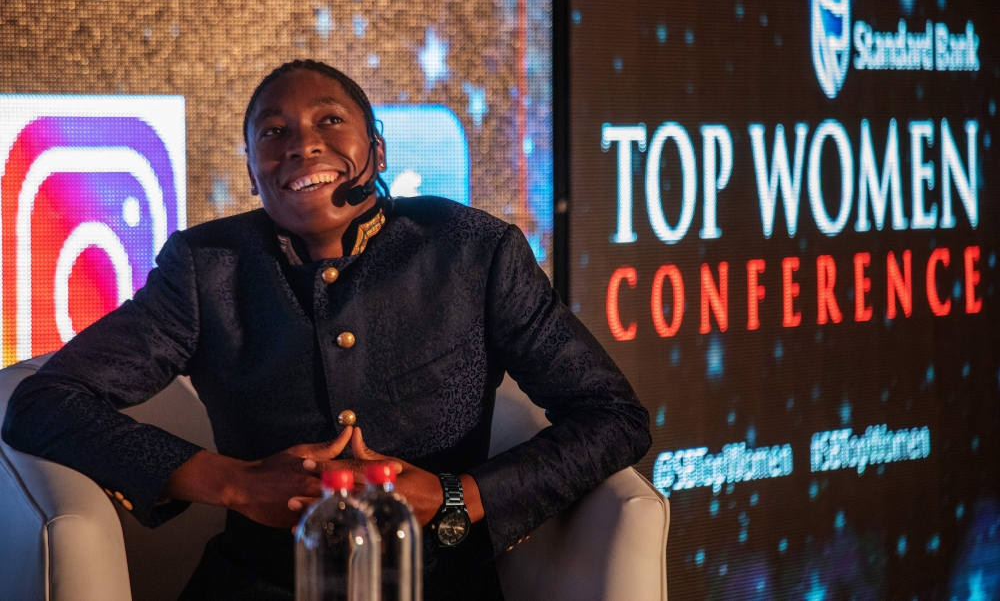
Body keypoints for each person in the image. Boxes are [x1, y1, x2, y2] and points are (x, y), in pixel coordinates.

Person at [2, 60, 651, 600]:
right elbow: (42, 404)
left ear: (377, 148)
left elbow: (614, 417)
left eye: (329, 121)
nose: (301, 143)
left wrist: (460, 497)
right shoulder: (208, 268)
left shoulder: (474, 250)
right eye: (273, 132)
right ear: (254, 172)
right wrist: (232, 482)